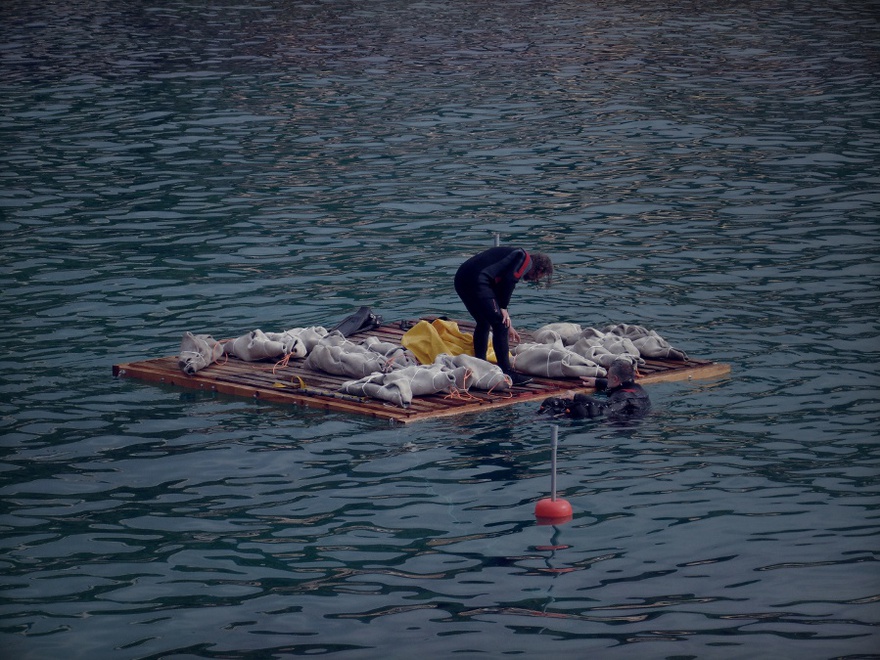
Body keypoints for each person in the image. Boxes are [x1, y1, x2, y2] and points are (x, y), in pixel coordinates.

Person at [454, 246, 553, 386]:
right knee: (500, 325)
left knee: (483, 321)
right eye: (538, 278)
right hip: (477, 280)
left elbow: (494, 296)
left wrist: (508, 321)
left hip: (462, 278)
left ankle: (480, 363)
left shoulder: (509, 260)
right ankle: (507, 371)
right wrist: (504, 309)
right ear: (540, 269)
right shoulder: (524, 259)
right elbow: (509, 281)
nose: (533, 280)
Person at [572, 358, 651, 421]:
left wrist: (576, 396)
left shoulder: (621, 397)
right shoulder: (640, 390)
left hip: (625, 425)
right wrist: (597, 382)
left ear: (615, 379)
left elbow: (605, 407)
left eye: (608, 375)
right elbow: (618, 386)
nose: (607, 377)